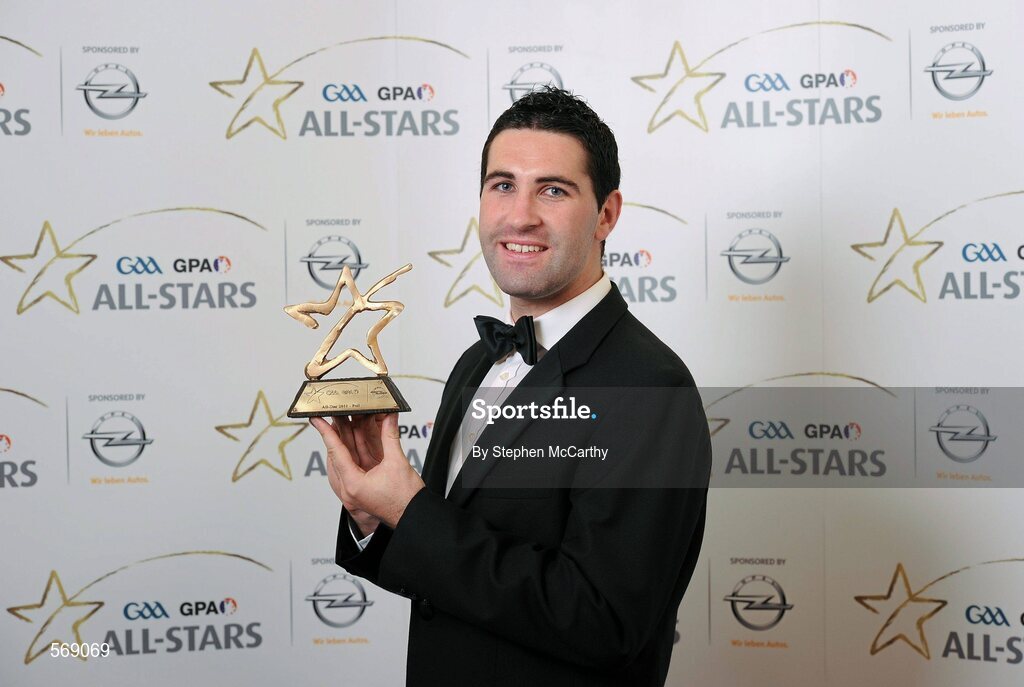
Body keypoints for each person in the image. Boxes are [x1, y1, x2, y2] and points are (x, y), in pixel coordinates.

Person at [309, 87, 711, 686]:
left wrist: (410, 509)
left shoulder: (651, 389)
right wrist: (376, 514)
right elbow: (448, 572)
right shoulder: (477, 363)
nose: (520, 214)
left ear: (607, 214)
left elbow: (603, 622)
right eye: (502, 185)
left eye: (553, 189)